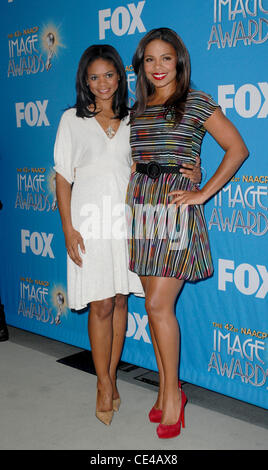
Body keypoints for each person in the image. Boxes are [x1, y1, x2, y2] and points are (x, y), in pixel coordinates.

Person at [54, 44, 202, 426]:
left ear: (121, 77)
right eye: (94, 77)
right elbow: (63, 178)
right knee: (100, 305)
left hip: (132, 220)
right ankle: (103, 382)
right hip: (89, 224)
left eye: (109, 75)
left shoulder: (135, 117)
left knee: (121, 302)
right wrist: (68, 228)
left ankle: (113, 377)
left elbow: (156, 157)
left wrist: (193, 171)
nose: (102, 83)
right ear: (84, 82)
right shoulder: (72, 119)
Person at [126, 28, 248, 439]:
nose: (158, 67)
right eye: (149, 60)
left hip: (176, 208)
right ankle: (165, 391)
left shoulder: (195, 101)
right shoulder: (138, 108)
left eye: (165, 58)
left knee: (159, 305)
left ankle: (174, 399)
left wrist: (201, 191)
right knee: (153, 307)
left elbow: (237, 148)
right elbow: (138, 160)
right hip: (143, 208)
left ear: (179, 60)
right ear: (140, 66)